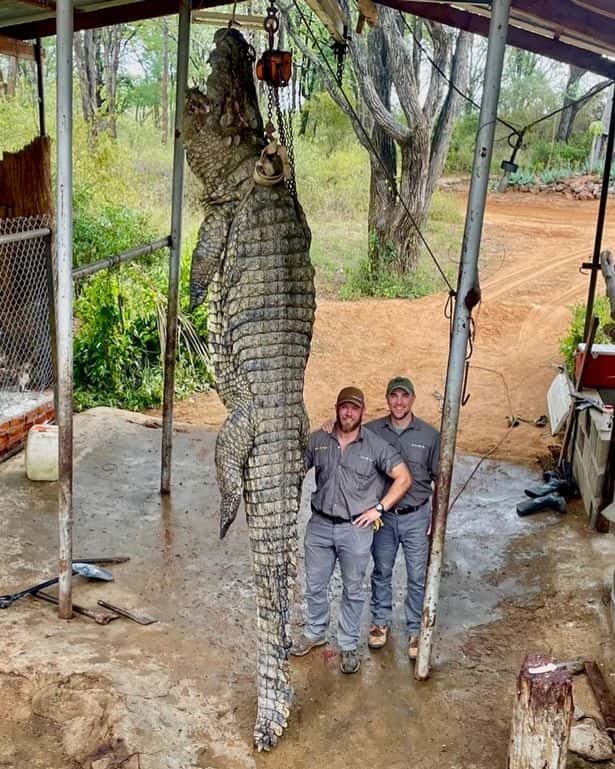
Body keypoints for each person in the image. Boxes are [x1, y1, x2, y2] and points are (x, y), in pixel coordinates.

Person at [291, 386, 412, 674]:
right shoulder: (319, 440)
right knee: (315, 585)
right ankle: (315, 632)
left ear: (362, 412)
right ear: (337, 408)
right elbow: (297, 468)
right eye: (344, 407)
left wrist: (379, 509)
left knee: (353, 590)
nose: (348, 413)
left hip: (356, 529)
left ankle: (347, 646)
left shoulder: (375, 446)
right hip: (320, 524)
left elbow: (404, 478)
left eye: (354, 408)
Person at [365, 376, 440, 662]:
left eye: (404, 396)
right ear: (387, 399)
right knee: (382, 569)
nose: (399, 402)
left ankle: (414, 629)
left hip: (416, 515)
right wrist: (327, 426)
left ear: (412, 400)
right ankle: (380, 621)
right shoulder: (372, 432)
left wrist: (435, 519)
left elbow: (439, 479)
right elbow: (344, 431)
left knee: (417, 575)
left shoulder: (429, 436)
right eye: (393, 396)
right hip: (384, 517)